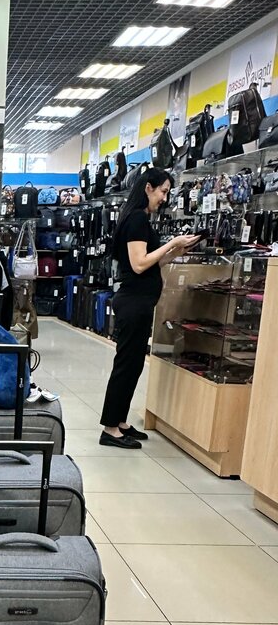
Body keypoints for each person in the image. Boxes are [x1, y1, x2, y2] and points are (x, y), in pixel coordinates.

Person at [99, 168, 200, 449]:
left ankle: (120, 421)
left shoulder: (140, 219)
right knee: (126, 365)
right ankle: (110, 428)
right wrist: (172, 242)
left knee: (133, 366)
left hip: (139, 302)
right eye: (163, 191)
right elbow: (139, 264)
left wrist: (175, 253)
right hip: (133, 303)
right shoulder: (137, 219)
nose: (164, 198)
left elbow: (150, 265)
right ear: (148, 188)